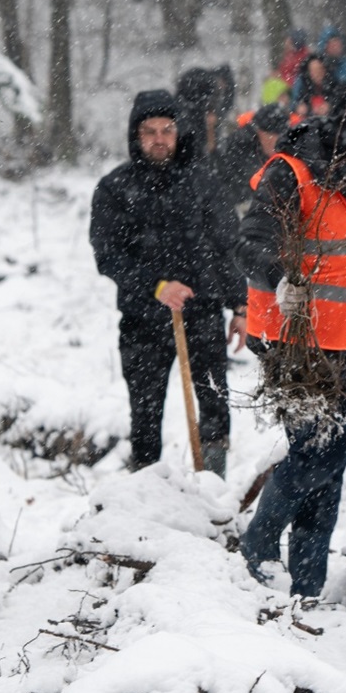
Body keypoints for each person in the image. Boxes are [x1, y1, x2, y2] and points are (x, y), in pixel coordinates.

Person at [238, 72, 346, 598]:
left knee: (329, 465)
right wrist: (281, 278)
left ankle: (307, 584)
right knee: (317, 456)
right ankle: (258, 544)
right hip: (295, 341)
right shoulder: (293, 169)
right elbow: (250, 242)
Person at [90, 90, 245, 477]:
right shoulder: (115, 189)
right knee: (145, 410)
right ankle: (146, 488)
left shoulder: (203, 183)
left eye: (167, 130)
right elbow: (108, 256)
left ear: (180, 133)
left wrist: (240, 305)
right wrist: (157, 287)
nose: (159, 139)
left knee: (214, 402)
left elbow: (226, 246)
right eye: (149, 131)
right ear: (136, 135)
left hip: (203, 312)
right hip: (143, 319)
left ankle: (212, 485)